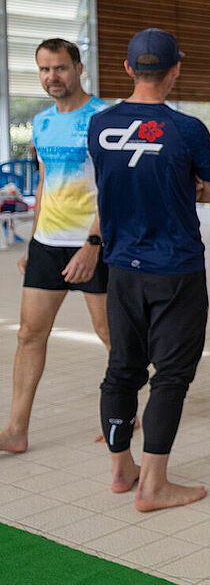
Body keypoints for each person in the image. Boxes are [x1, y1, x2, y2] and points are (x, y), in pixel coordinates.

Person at [89, 28, 210, 511]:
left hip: (120, 266)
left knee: (122, 370)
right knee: (170, 375)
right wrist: (187, 183)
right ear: (175, 70)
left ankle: (120, 469)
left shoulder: (99, 125)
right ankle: (154, 485)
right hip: (175, 268)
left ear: (128, 69)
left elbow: (119, 180)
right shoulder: (187, 128)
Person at [0, 38, 110, 454]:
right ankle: (16, 430)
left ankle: (123, 413)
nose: (52, 78)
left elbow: (111, 187)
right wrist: (32, 241)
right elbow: (45, 183)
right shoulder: (42, 123)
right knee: (29, 333)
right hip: (48, 243)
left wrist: (92, 245)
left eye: (60, 68)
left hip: (91, 243)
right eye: (44, 70)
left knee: (108, 334)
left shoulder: (102, 117)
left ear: (79, 68)